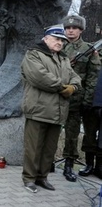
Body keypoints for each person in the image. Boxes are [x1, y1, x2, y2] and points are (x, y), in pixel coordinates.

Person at [21, 24, 81, 193]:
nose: (60, 43)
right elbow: (39, 77)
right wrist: (63, 88)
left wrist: (74, 87)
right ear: (45, 38)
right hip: (38, 110)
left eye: (62, 40)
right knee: (33, 148)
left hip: (58, 112)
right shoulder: (33, 54)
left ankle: (42, 177)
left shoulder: (63, 59)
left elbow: (75, 77)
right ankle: (29, 179)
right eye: (56, 39)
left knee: (49, 150)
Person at [60, 15, 100, 182]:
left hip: (87, 100)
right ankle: (68, 164)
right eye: (68, 28)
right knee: (71, 133)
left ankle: (89, 164)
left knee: (90, 134)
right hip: (70, 99)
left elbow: (93, 76)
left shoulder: (89, 49)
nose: (71, 30)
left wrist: (88, 100)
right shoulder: (59, 47)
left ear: (81, 30)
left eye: (74, 28)